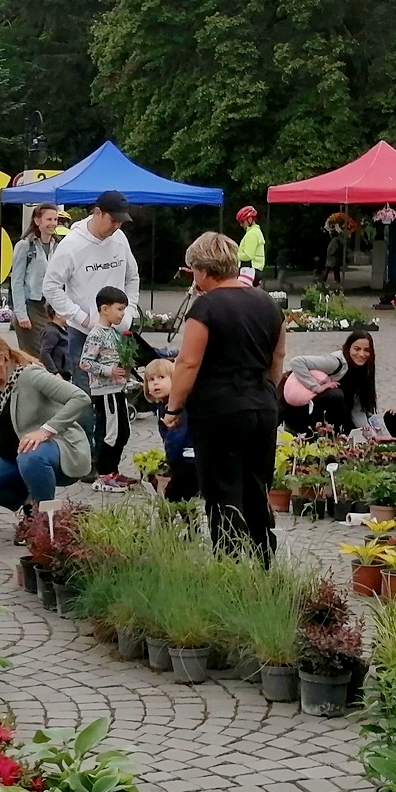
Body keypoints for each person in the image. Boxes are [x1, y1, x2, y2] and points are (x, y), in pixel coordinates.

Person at [159, 230, 285, 559]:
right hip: (262, 405)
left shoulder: (206, 307)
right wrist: (268, 391)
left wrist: (173, 408)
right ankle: (263, 558)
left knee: (221, 489)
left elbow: (187, 362)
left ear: (202, 270)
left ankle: (229, 562)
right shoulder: (267, 302)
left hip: (220, 408)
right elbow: (278, 357)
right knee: (256, 485)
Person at [0, 330, 93, 514]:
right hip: (13, 458)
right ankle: (31, 504)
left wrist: (45, 431)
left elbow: (80, 398)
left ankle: (43, 517)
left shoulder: (30, 375)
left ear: (0, 359)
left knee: (31, 455)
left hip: (56, 452)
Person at [43, 189, 141, 392]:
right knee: (86, 394)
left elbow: (132, 277)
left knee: (116, 391)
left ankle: (112, 424)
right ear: (98, 213)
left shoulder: (120, 239)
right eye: (113, 220)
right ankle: (88, 425)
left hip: (117, 331)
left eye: (120, 221)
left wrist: (129, 311)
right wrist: (82, 317)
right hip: (84, 333)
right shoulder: (71, 245)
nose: (116, 226)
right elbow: (51, 287)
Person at [78, 286, 137, 488]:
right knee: (110, 433)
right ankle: (103, 475)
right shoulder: (96, 334)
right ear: (105, 309)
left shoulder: (113, 333)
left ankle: (114, 470)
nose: (123, 314)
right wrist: (109, 371)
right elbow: (85, 362)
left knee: (123, 431)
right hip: (104, 392)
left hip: (117, 389)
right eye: (120, 309)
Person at [281, 324, 377, 436]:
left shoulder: (362, 372)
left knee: (348, 413)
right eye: (357, 349)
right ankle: (316, 433)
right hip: (301, 412)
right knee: (337, 395)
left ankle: (333, 435)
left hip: (326, 411)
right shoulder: (335, 362)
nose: (361, 354)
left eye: (366, 350)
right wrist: (316, 387)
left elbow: (357, 411)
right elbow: (296, 362)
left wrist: (372, 436)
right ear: (348, 348)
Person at [13, 204, 67, 372]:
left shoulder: (58, 246)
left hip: (50, 309)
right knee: (36, 357)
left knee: (54, 354)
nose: (53, 223)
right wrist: (21, 314)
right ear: (37, 221)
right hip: (31, 307)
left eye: (55, 219)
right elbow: (17, 281)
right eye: (49, 219)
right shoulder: (25, 246)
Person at [141, 359, 200, 501]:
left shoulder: (176, 409)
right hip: (183, 459)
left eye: (161, 378)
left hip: (188, 459)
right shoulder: (163, 406)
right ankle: (188, 521)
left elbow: (176, 438)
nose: (155, 383)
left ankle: (176, 522)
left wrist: (170, 461)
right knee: (182, 499)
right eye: (151, 379)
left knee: (173, 499)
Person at [235, 206, 267, 282]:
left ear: (249, 219)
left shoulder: (252, 234)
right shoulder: (256, 231)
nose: (241, 225)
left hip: (249, 271)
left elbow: (248, 255)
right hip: (256, 270)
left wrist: (234, 255)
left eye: (242, 222)